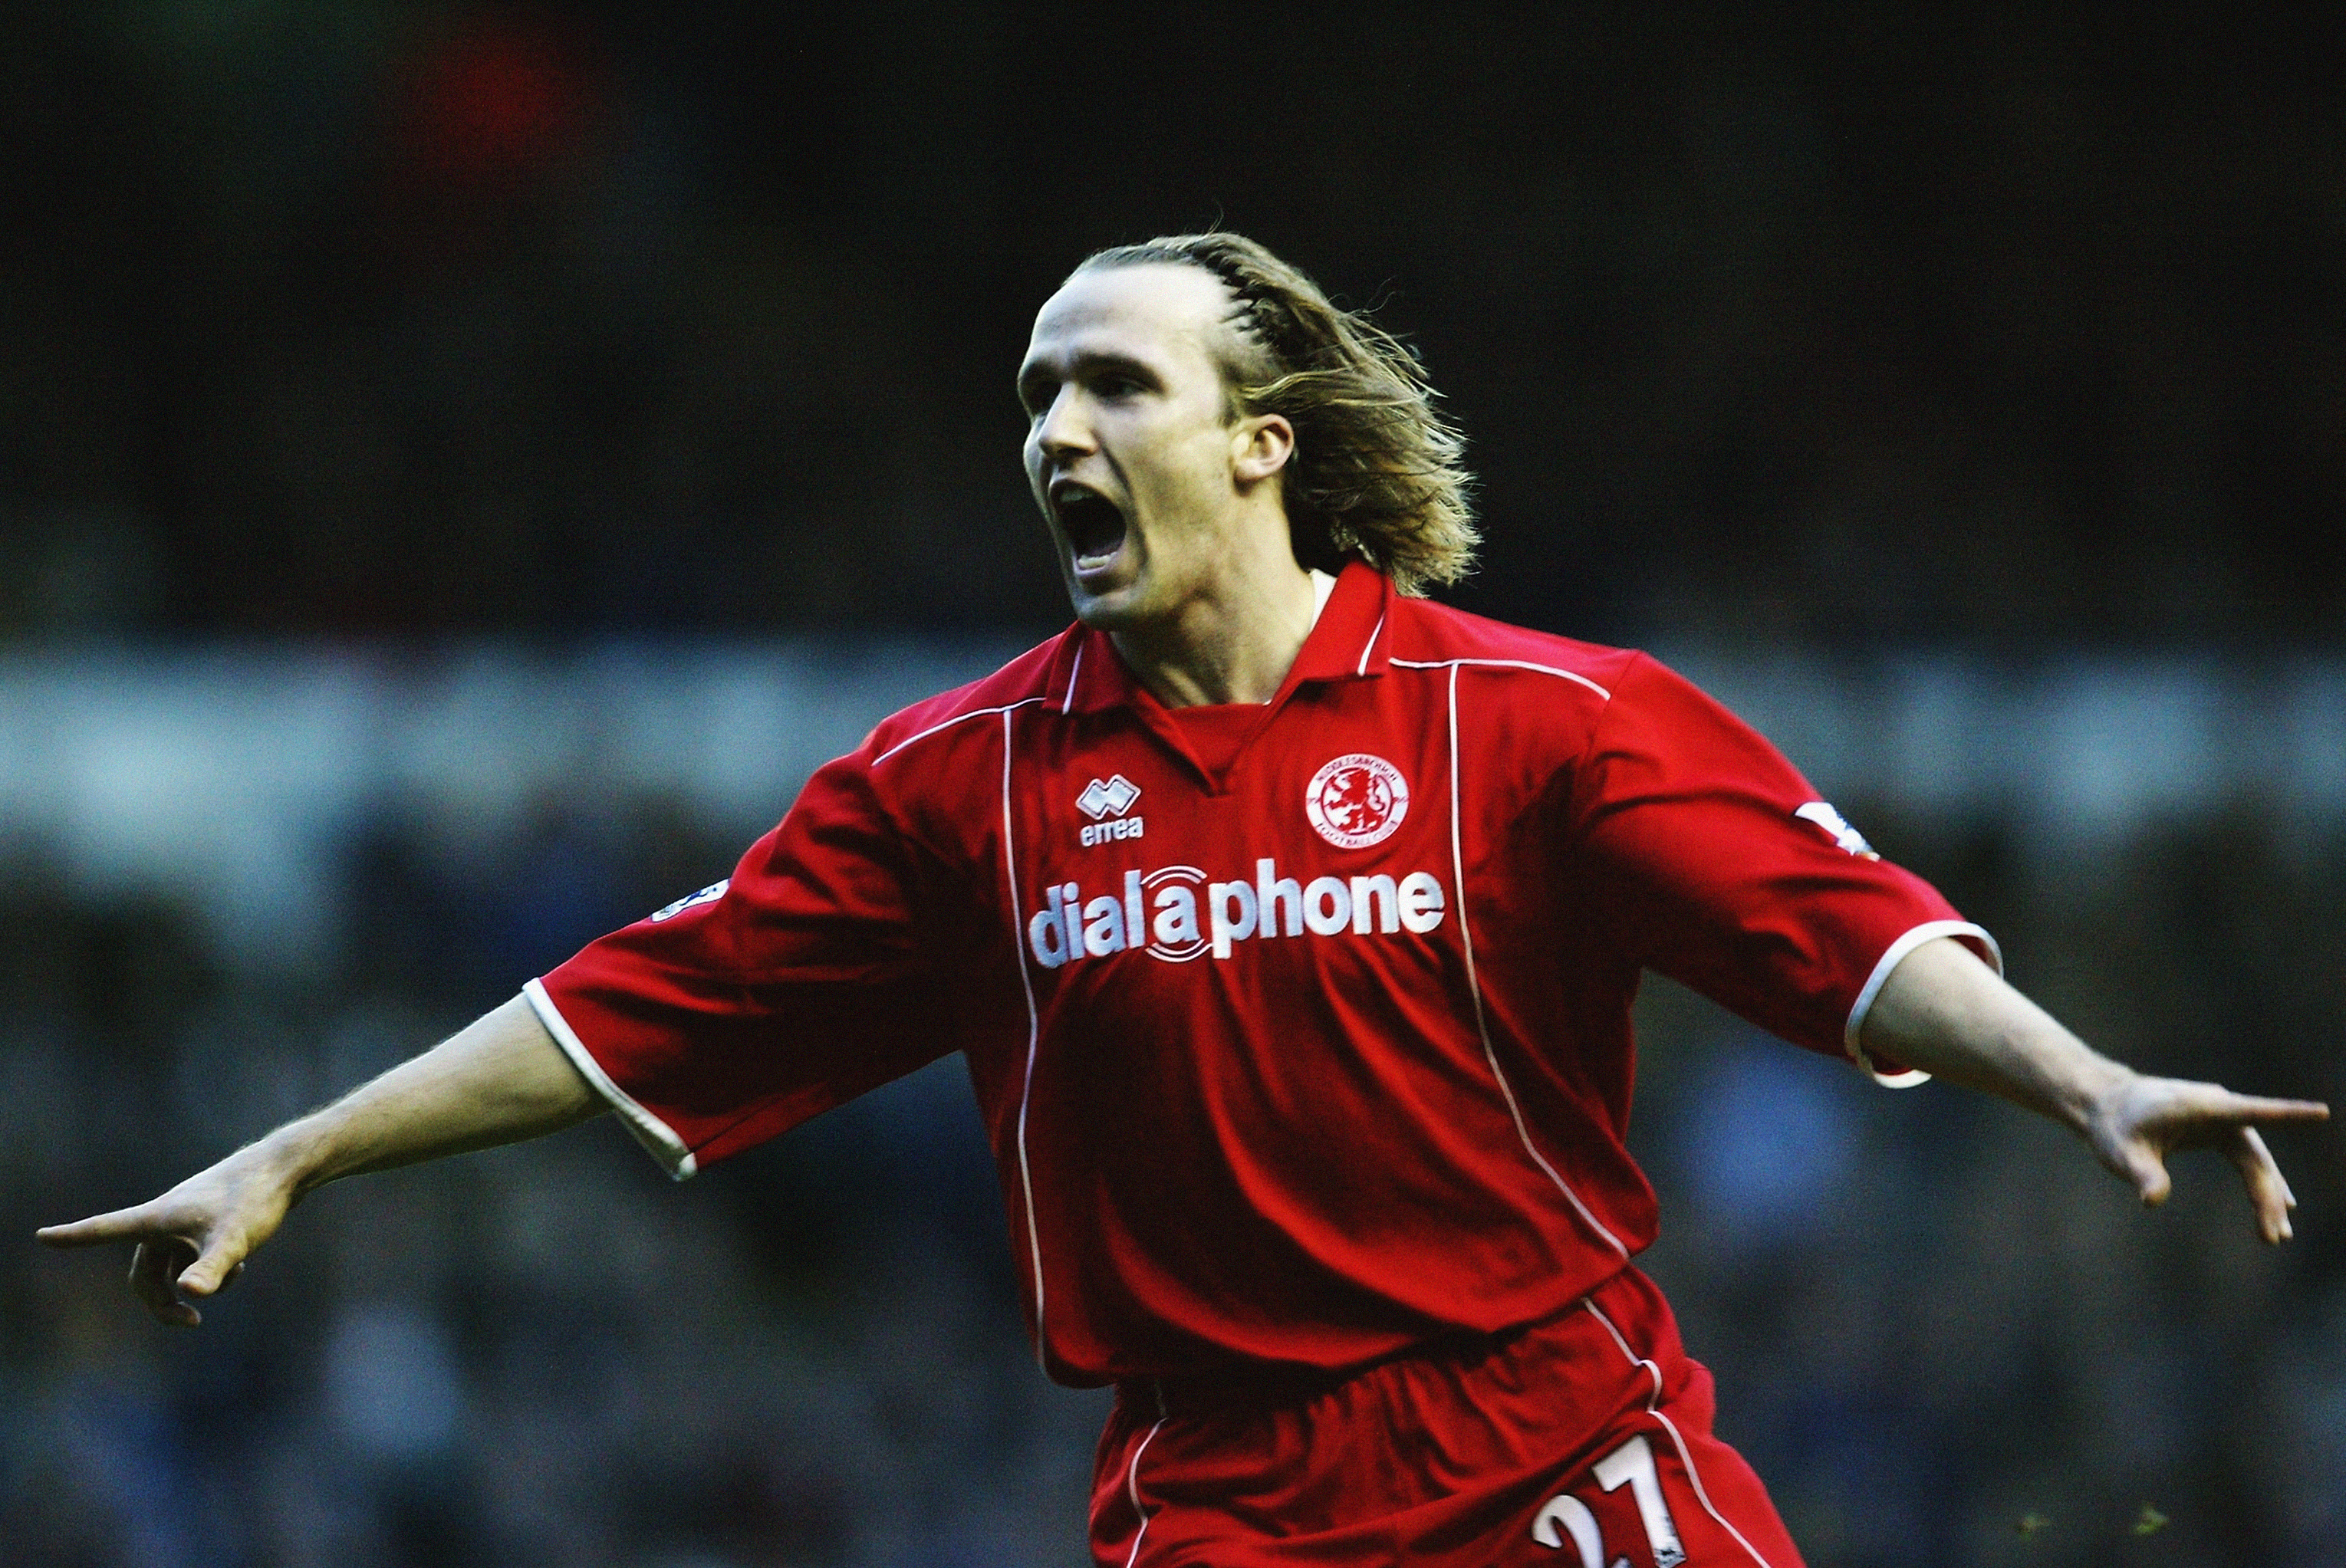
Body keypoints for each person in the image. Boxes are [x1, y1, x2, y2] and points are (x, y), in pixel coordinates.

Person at [41, 233, 2328, 1566]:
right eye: (1033, 392)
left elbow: (1838, 940)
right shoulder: (964, 787)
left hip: (1559, 1450)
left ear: (1261, 439)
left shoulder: (1527, 717)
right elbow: (645, 1003)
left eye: (1111, 382)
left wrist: (2083, 1074)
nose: (1053, 429)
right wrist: (304, 1147)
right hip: (1214, 1497)